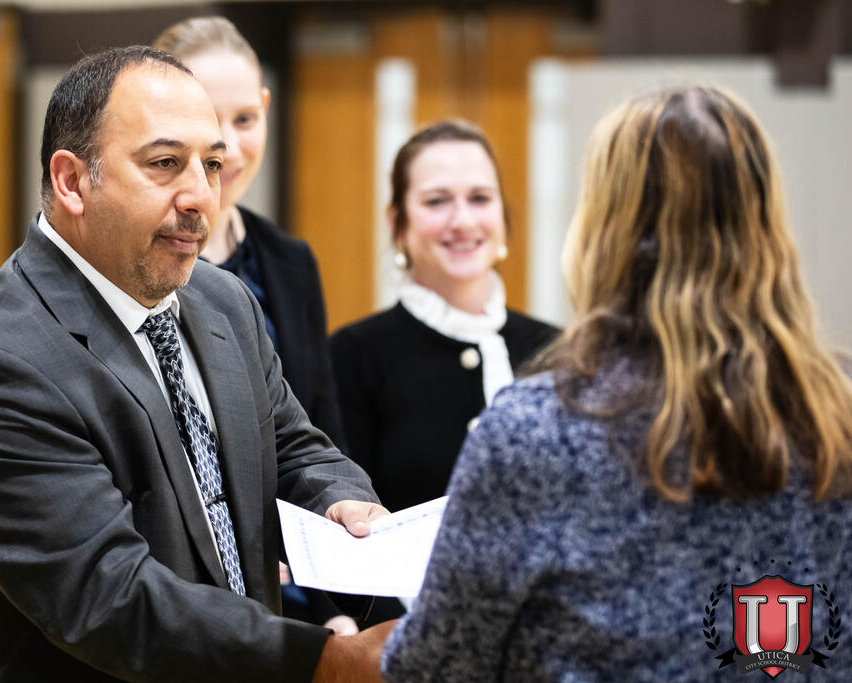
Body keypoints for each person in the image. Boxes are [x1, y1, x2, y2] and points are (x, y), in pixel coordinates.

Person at [0, 46, 392, 682]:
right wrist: (327, 663)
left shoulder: (223, 300)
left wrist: (342, 501)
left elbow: (292, 447)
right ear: (72, 181)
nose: (200, 197)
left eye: (211, 164)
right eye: (165, 164)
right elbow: (111, 600)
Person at [382, 85, 852, 681]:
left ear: (605, 226)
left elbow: (431, 669)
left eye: (479, 197)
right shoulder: (833, 411)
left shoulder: (538, 431)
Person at [152, 16, 358, 635]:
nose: (230, 149)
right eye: (209, 123)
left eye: (245, 119)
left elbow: (314, 431)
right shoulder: (142, 272)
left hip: (297, 579)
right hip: (188, 592)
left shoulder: (289, 263)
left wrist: (337, 606)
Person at [330, 120, 558, 515]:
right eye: (437, 201)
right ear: (397, 222)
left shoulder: (559, 351)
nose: (463, 221)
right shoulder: (351, 356)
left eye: (480, 198)